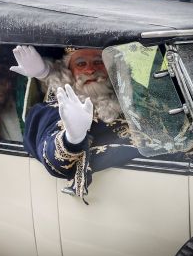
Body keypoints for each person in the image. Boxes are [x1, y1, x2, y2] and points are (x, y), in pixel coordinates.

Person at [10, 45, 140, 201]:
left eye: (99, 62)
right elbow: (52, 159)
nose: (91, 70)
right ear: (69, 71)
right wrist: (73, 138)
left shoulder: (135, 101)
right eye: (80, 64)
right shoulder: (51, 111)